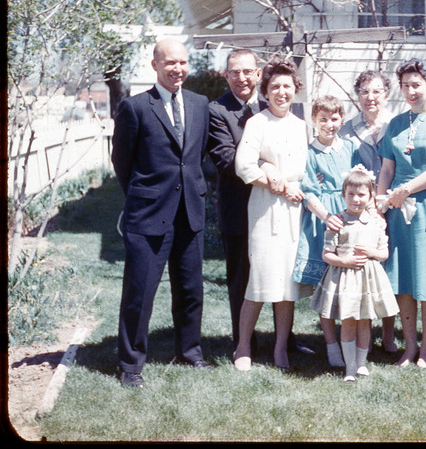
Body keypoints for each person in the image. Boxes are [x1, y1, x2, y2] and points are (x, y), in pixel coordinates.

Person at [112, 38, 211, 388]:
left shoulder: (200, 104)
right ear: (155, 66)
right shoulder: (136, 107)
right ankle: (131, 365)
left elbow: (196, 158)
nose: (178, 69)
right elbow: (122, 162)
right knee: (140, 292)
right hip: (149, 213)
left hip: (190, 212)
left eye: (183, 62)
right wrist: (144, 196)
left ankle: (190, 351)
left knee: (190, 289)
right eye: (170, 63)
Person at [377, 58, 426, 368]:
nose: (411, 91)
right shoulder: (396, 123)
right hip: (397, 210)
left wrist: (407, 189)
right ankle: (409, 346)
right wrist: (380, 205)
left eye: (416, 85)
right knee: (403, 278)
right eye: (406, 85)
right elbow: (387, 167)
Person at [233, 58, 312, 371]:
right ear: (265, 90)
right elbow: (244, 166)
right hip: (266, 210)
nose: (282, 92)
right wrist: (275, 181)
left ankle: (281, 348)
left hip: (295, 212)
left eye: (287, 86)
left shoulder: (301, 126)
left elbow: (309, 170)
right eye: (275, 86)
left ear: (295, 90)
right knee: (261, 279)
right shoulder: (257, 123)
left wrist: (296, 189)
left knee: (286, 285)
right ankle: (242, 347)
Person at [310, 165, 399, 382]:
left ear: (370, 196)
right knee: (349, 321)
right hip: (345, 278)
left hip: (367, 279)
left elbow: (384, 253)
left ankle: (361, 364)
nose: (356, 199)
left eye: (361, 195)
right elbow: (326, 254)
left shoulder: (376, 223)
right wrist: (344, 260)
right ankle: (349, 366)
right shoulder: (338, 222)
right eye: (351, 194)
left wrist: (371, 252)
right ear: (343, 195)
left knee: (364, 321)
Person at [291, 95, 361, 367]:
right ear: (314, 121)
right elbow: (307, 191)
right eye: (323, 119)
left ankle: (351, 343)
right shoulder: (309, 152)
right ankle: (331, 345)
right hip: (325, 219)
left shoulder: (351, 147)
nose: (329, 125)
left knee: (350, 283)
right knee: (328, 285)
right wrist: (326, 215)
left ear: (341, 120)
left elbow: (361, 179)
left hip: (350, 215)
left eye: (334, 119)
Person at [207, 49, 267, 355]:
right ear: (226, 75)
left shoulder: (272, 106)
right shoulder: (217, 111)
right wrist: (268, 168)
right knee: (241, 279)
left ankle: (286, 340)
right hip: (238, 209)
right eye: (234, 72)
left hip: (273, 207)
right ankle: (244, 343)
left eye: (247, 71)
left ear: (258, 73)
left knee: (278, 274)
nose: (241, 78)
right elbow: (227, 160)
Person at [339, 69, 398, 352]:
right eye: (364, 91)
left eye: (376, 91)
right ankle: (360, 330)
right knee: (362, 265)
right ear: (357, 96)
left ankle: (388, 334)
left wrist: (385, 201)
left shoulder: (396, 125)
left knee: (387, 269)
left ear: (386, 95)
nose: (370, 97)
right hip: (359, 209)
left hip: (390, 206)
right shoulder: (347, 129)